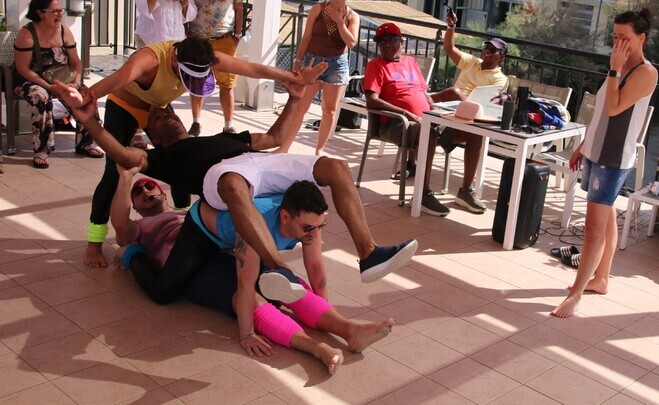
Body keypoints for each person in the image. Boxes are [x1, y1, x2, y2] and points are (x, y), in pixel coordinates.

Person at [59, 82, 418, 299]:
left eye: (168, 112)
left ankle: (368, 253)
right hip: (220, 179)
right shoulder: (161, 158)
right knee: (232, 184)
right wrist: (90, 120)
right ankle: (278, 270)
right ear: (153, 136)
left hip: (257, 164)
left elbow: (275, 137)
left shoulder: (221, 135)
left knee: (336, 167)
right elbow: (122, 154)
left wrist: (295, 97)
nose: (166, 115)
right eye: (157, 118)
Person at [71, 35, 327, 268]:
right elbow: (118, 78)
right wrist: (86, 99)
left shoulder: (205, 56)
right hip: (125, 106)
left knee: (182, 160)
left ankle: (182, 218)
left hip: (158, 108)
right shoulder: (150, 59)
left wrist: (295, 78)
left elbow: (252, 69)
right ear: (175, 60)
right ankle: (94, 242)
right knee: (113, 172)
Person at [111, 173, 394, 374]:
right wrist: (246, 334)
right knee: (244, 296)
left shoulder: (305, 217)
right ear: (135, 207)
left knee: (290, 285)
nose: (145, 191)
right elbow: (245, 284)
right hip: (189, 259)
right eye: (139, 193)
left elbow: (315, 266)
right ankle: (315, 348)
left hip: (223, 249)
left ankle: (350, 329)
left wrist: (325, 315)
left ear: (164, 193)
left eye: (150, 186)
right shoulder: (141, 227)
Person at [551, 9, 658, 319]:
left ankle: (575, 294)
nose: (618, 43)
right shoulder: (620, 67)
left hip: (612, 158)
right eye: (615, 37)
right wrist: (583, 146)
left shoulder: (645, 73)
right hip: (596, 151)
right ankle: (601, 279)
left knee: (593, 230)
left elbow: (613, 108)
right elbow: (600, 115)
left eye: (624, 38)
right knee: (607, 217)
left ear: (641, 38)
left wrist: (614, 70)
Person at [364, 22, 504, 217]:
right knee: (427, 131)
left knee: (474, 131)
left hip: (426, 120)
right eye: (382, 41)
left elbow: (424, 94)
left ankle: (465, 191)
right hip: (396, 124)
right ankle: (422, 194)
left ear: (401, 42)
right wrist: (407, 113)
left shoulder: (410, 62)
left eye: (392, 40)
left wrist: (439, 112)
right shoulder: (375, 65)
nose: (387, 44)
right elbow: (372, 100)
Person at [12, 0, 104, 168]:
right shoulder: (27, 34)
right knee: (41, 95)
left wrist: (76, 83)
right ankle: (42, 149)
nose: (59, 14)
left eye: (60, 10)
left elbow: (76, 63)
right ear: (40, 13)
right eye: (54, 11)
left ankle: (86, 143)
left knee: (86, 94)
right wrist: (48, 86)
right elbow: (23, 69)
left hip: (60, 78)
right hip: (30, 79)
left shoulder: (64, 32)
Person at [131, 0, 197, 149]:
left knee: (165, 90)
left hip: (174, 43)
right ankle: (138, 130)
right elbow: (144, 8)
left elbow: (192, 14)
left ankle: (160, 132)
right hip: (150, 40)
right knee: (145, 87)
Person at [294, 0, 360, 155]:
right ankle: (286, 144)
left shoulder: (352, 16)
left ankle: (319, 150)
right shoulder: (318, 9)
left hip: (337, 64)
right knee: (300, 108)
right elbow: (307, 37)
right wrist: (298, 60)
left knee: (329, 110)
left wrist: (339, 22)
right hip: (314, 61)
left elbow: (351, 42)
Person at [184, 0, 245, 136]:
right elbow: (183, 6)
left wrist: (237, 35)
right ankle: (196, 122)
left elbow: (238, 8)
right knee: (197, 82)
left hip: (224, 38)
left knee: (227, 84)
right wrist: (185, 32)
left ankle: (228, 125)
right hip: (198, 38)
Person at [429, 10, 508, 104]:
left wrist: (460, 97)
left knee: (454, 92)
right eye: (486, 47)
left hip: (470, 107)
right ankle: (426, 101)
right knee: (451, 93)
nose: (487, 51)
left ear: (502, 56)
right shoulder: (472, 61)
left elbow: (487, 102)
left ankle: (426, 100)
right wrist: (451, 26)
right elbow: (449, 48)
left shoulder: (500, 78)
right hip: (450, 103)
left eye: (493, 50)